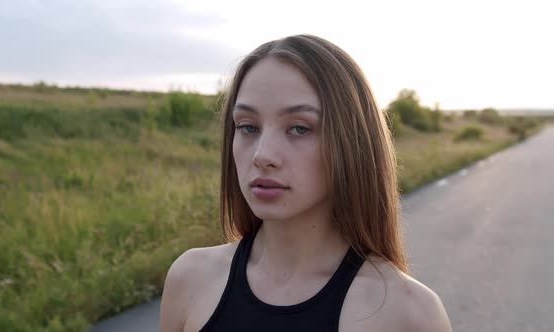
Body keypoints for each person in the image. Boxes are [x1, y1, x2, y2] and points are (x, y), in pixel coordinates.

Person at [159, 34, 452, 332]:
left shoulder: (408, 313)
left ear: (352, 144)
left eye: (299, 128)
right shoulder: (190, 280)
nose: (262, 155)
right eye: (248, 127)